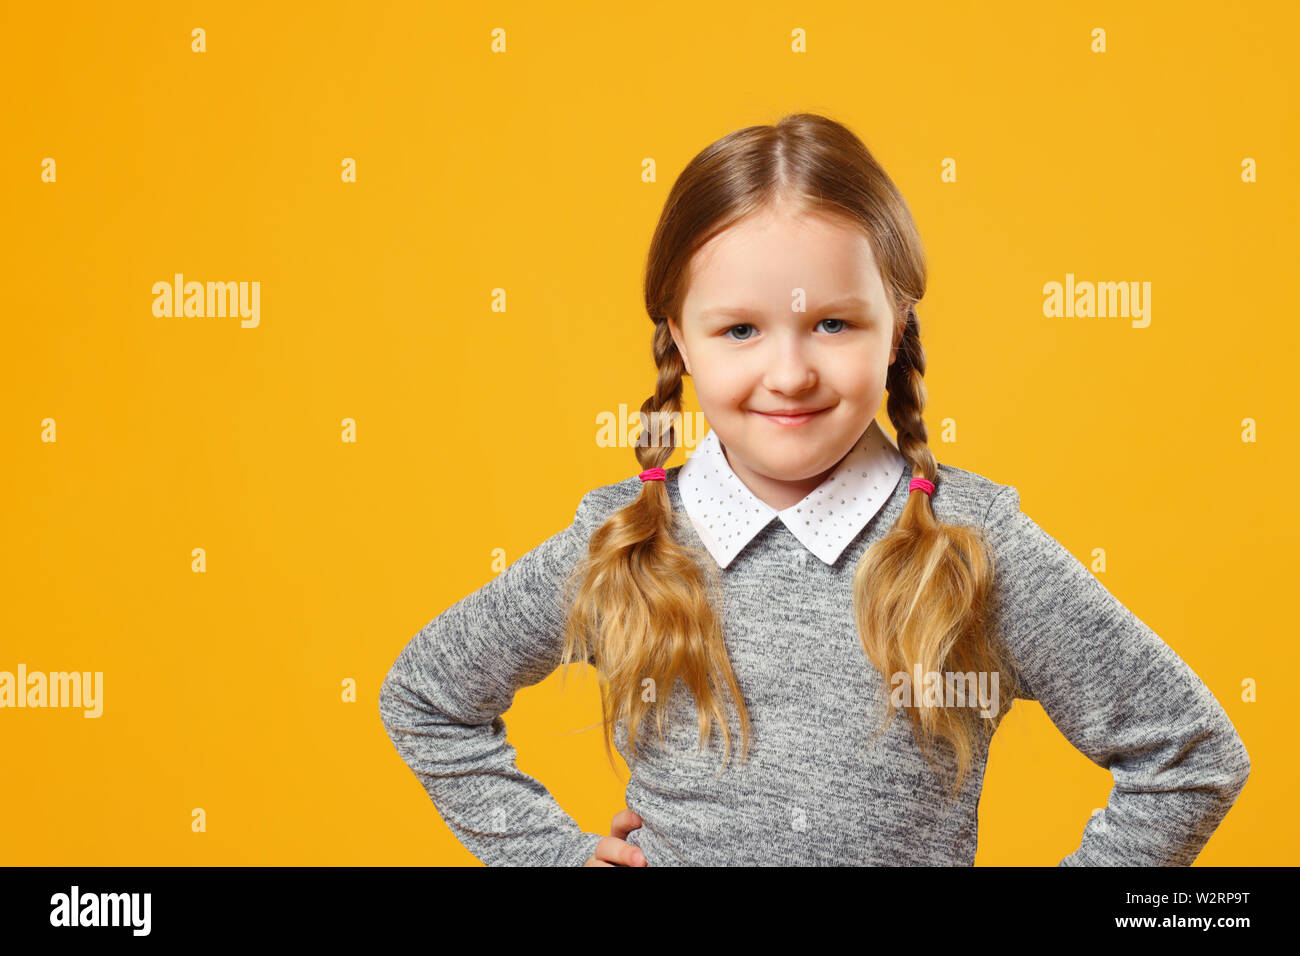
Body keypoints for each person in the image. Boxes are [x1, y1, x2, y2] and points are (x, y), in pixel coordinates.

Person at [378, 113, 1250, 866]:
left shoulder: (971, 542)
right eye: (741, 329)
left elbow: (1191, 756)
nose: (788, 373)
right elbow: (426, 697)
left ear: (897, 323)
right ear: (679, 337)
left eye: (833, 323)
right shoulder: (626, 542)